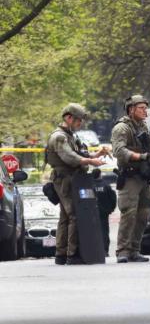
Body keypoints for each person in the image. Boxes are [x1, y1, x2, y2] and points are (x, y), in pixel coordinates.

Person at [45, 104, 107, 265]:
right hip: (65, 179)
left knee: (66, 216)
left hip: (73, 178)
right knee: (73, 214)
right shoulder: (59, 137)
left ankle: (61, 253)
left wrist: (97, 154)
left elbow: (81, 153)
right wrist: (91, 161)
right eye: (78, 120)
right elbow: (70, 157)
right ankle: (72, 254)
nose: (81, 123)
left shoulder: (70, 135)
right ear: (69, 117)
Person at [111, 94, 150, 263]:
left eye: (145, 108)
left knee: (143, 214)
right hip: (129, 177)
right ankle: (122, 250)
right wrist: (141, 157)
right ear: (131, 109)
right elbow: (119, 151)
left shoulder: (144, 127)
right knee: (129, 213)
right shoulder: (122, 128)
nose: (145, 111)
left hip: (144, 178)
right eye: (141, 108)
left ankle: (134, 250)